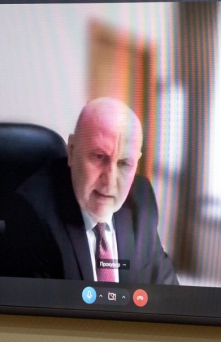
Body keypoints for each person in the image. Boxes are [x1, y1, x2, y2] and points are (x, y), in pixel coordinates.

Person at [14, 97, 179, 285]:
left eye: (124, 163)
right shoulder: (34, 210)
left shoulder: (142, 199)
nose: (110, 181)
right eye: (99, 157)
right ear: (72, 151)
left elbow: (167, 289)